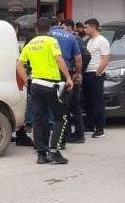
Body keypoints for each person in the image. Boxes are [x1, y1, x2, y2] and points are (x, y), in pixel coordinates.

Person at [16, 18, 73, 165]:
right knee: (62, 117)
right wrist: (68, 78)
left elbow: (19, 64)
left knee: (38, 120)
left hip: (35, 85)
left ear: (36, 30)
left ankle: (41, 155)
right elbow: (59, 59)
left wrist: (28, 80)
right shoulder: (50, 41)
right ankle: (54, 151)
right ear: (49, 29)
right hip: (51, 85)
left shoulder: (30, 44)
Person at [53, 18, 86, 143]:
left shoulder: (47, 35)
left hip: (57, 74)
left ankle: (66, 135)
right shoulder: (71, 37)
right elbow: (79, 58)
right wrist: (78, 74)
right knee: (74, 105)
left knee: (62, 106)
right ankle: (79, 134)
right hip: (70, 73)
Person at [82, 18, 111, 138]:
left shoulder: (102, 41)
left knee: (97, 102)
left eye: (86, 27)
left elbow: (105, 59)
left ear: (93, 27)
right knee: (87, 101)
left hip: (95, 74)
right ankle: (89, 125)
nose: (84, 29)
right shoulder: (89, 40)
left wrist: (97, 73)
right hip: (87, 73)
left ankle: (100, 129)